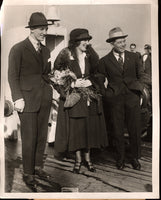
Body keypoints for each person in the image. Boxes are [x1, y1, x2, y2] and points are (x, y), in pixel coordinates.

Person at [53, 28, 108, 174]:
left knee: (88, 128)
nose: (87, 42)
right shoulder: (66, 54)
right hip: (74, 97)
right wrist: (72, 84)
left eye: (88, 40)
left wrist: (91, 82)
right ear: (76, 41)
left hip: (89, 97)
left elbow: (100, 73)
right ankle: (78, 161)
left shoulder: (91, 54)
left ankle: (88, 160)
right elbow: (56, 76)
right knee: (77, 129)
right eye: (84, 40)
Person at [8, 12, 53, 191]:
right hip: (26, 101)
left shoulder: (46, 50)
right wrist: (17, 98)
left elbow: (46, 74)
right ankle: (28, 173)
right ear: (32, 29)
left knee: (42, 136)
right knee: (29, 137)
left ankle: (37, 168)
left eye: (46, 29)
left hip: (44, 98)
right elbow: (12, 76)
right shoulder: (18, 49)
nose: (44, 32)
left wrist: (56, 83)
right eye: (42, 29)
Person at [97, 27, 150, 170]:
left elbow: (142, 75)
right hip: (115, 100)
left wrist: (141, 90)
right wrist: (106, 93)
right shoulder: (104, 61)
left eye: (124, 41)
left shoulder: (134, 57)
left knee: (135, 129)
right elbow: (100, 79)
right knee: (117, 131)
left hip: (133, 97)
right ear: (112, 43)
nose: (123, 44)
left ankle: (135, 158)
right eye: (119, 42)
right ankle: (120, 158)